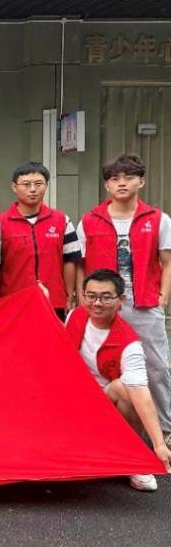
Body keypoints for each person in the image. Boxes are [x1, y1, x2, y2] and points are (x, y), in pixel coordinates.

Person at [77, 153, 171, 442]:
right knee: (98, 366)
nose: (121, 183)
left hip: (143, 303)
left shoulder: (158, 219)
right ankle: (108, 432)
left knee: (156, 368)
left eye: (129, 177)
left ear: (141, 181)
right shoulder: (90, 220)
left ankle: (165, 431)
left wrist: (163, 298)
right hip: (101, 306)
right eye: (114, 178)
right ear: (106, 185)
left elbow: (167, 261)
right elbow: (79, 264)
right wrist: (82, 299)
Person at [64, 269, 171, 491]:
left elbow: (141, 393)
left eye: (106, 297)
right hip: (72, 398)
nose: (97, 303)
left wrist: (159, 444)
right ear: (83, 296)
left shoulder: (130, 344)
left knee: (124, 388)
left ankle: (133, 458)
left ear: (120, 300)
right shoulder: (74, 316)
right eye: (91, 296)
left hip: (104, 405)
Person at [0, 162, 81, 320]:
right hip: (12, 303)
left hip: (54, 302)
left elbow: (69, 260)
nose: (33, 189)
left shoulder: (62, 220)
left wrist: (70, 296)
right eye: (26, 184)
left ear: (46, 185)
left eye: (38, 184)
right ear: (14, 187)